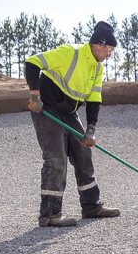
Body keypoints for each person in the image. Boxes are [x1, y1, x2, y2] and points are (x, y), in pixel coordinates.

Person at [24, 21, 122, 227]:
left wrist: (91, 130)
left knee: (83, 153)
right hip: (47, 109)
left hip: (69, 113)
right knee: (56, 158)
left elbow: (94, 98)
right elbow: (32, 62)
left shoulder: (97, 67)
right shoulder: (70, 52)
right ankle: (49, 215)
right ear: (99, 44)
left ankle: (91, 206)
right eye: (110, 49)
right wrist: (35, 96)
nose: (110, 54)